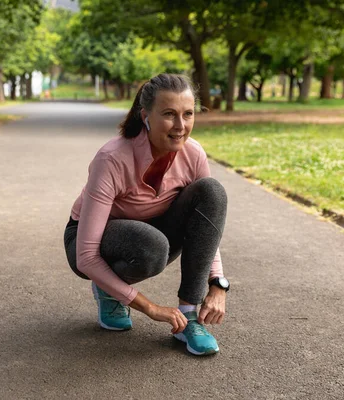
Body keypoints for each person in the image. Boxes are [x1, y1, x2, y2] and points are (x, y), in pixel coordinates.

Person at [63, 73, 229, 356]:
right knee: (152, 247)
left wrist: (218, 284)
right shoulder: (112, 159)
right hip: (93, 238)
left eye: (188, 114)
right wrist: (149, 308)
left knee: (211, 191)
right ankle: (109, 290)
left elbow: (206, 224)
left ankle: (188, 317)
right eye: (168, 114)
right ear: (145, 117)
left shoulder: (193, 154)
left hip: (153, 230)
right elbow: (86, 256)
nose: (180, 126)